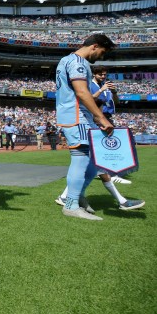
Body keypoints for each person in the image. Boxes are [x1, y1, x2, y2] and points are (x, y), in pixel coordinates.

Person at [54, 64, 144, 212]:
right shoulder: (89, 85)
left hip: (103, 122)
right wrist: (101, 92)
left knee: (93, 165)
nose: (103, 77)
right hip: (95, 123)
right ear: (94, 74)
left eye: (104, 74)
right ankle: (120, 199)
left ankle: (66, 196)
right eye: (100, 74)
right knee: (96, 164)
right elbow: (85, 100)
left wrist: (113, 92)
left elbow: (116, 103)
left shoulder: (103, 86)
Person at [55, 34, 118, 220]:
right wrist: (101, 118)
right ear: (94, 46)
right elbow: (82, 92)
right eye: (102, 52)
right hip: (77, 116)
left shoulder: (66, 60)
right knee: (80, 158)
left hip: (77, 115)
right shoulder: (79, 63)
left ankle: (78, 197)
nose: (101, 56)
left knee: (93, 161)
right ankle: (71, 204)